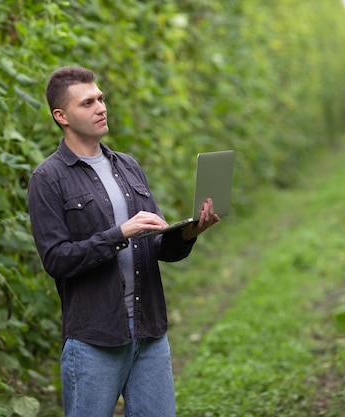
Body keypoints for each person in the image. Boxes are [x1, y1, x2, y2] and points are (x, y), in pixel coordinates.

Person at [27, 66, 219, 417]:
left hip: (150, 332)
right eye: (88, 103)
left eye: (100, 98)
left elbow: (158, 246)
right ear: (62, 116)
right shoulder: (48, 179)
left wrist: (188, 233)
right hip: (94, 338)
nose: (100, 107)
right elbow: (56, 260)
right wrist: (119, 234)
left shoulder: (128, 166)